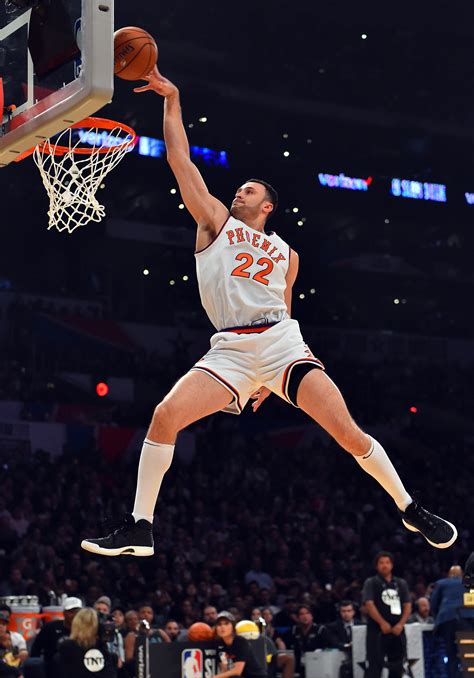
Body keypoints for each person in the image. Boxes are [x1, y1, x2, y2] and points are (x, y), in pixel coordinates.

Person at [81, 69, 457, 558]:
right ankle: (139, 527)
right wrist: (171, 99)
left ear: (268, 206)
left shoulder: (288, 254)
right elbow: (180, 160)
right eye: (238, 188)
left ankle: (410, 507)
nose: (239, 192)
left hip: (282, 345)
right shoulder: (214, 222)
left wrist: (272, 376)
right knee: (164, 415)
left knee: (348, 433)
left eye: (249, 191)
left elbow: (285, 308)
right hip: (231, 350)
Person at [362, 552, 412, 678]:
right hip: (377, 629)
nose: (384, 565)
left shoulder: (400, 583)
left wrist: (400, 624)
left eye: (387, 562)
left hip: (397, 628)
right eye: (381, 562)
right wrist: (382, 623)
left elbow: (408, 605)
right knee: (375, 664)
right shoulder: (372, 582)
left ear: (392, 565)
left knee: (397, 664)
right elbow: (369, 604)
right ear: (377, 566)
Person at [430, 565, 474, 678]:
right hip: (468, 619)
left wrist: (439, 617)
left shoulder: (441, 583)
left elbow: (433, 604)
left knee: (452, 657)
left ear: (449, 575)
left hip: (448, 620)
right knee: (470, 658)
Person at [251, 607, 304, 678]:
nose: (265, 617)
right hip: (254, 662)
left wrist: (280, 646)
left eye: (267, 614)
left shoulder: (273, 631)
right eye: (255, 614)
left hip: (269, 660)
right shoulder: (249, 629)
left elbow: (280, 647)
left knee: (289, 659)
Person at [30, 597, 82, 678]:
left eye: (77, 612)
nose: (74, 615)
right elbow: (35, 650)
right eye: (71, 611)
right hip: (52, 668)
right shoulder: (50, 627)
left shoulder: (85, 630)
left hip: (78, 667)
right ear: (64, 613)